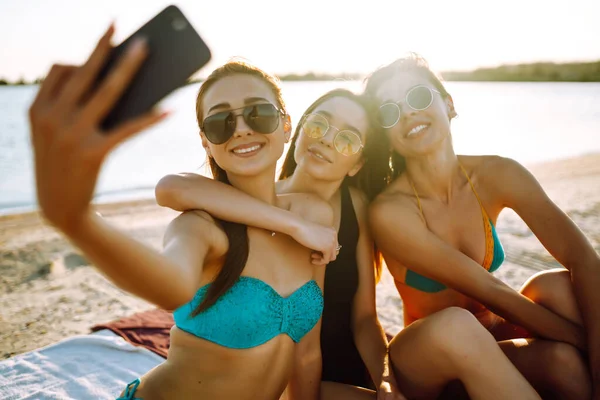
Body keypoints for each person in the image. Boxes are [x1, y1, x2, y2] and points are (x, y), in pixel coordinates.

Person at [155, 88, 541, 400]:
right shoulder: (257, 200)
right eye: (319, 125)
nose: (326, 141)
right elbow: (175, 187)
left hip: (354, 367)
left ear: (357, 163)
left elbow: (364, 318)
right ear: (298, 129)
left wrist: (386, 379)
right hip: (289, 379)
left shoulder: (354, 206)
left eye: (347, 139)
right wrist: (293, 226)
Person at [29, 25, 340, 400]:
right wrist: (74, 219)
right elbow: (171, 285)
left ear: (286, 125)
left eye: (258, 114)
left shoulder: (314, 217)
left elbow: (307, 355)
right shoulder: (201, 227)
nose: (241, 129)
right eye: (220, 121)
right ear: (207, 143)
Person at [364, 53, 600, 399]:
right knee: (457, 326)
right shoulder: (391, 211)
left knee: (558, 302)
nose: (408, 113)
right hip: (430, 358)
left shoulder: (498, 174)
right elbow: (491, 291)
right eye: (390, 111)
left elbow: (584, 259)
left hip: (494, 336)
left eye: (417, 96)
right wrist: (587, 340)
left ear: (449, 104)